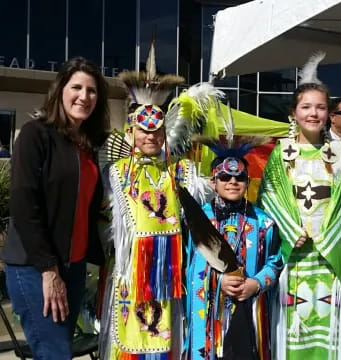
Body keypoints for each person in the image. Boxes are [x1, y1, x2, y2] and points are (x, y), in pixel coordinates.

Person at [99, 49, 219, 359]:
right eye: (143, 130)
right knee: (129, 337)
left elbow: (207, 199)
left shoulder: (180, 170)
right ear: (131, 132)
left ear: (164, 132)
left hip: (168, 272)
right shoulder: (117, 172)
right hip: (130, 271)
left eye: (156, 130)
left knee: (164, 336)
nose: (150, 136)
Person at [257, 54, 341, 359]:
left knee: (330, 336)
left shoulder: (339, 154)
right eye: (306, 107)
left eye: (321, 107)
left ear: (328, 114)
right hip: (293, 257)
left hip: (329, 258)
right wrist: (291, 228)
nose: (313, 113)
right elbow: (268, 199)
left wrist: (328, 237)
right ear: (293, 113)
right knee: (294, 334)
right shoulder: (281, 154)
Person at [3, 57, 109, 359]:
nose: (84, 96)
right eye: (76, 87)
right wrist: (48, 270)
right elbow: (24, 205)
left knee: (58, 349)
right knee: (55, 353)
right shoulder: (36, 134)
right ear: (60, 90)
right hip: (35, 266)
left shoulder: (87, 146)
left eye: (92, 91)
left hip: (73, 267)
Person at [184, 139, 283, 360]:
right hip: (208, 316)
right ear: (213, 182)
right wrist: (217, 281)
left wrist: (256, 283)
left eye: (239, 178)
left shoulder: (264, 222)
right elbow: (187, 266)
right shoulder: (198, 220)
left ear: (247, 182)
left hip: (249, 311)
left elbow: (276, 262)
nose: (232, 182)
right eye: (225, 177)